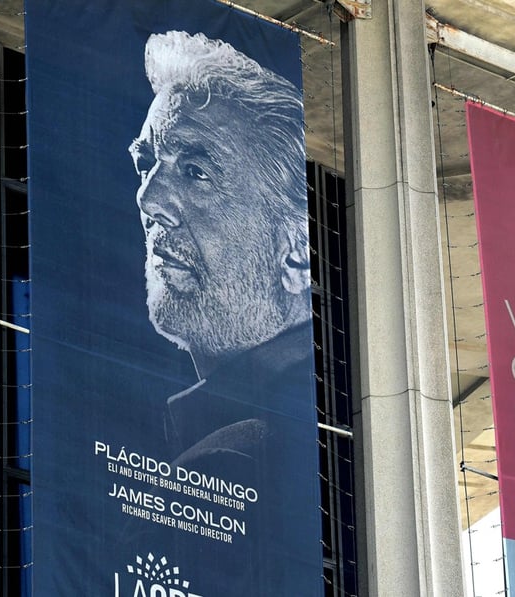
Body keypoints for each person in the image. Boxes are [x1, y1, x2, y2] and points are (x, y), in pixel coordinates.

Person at [121, 30, 321, 595]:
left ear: (298, 250)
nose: (149, 200)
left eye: (196, 172)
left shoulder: (238, 461)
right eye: (147, 164)